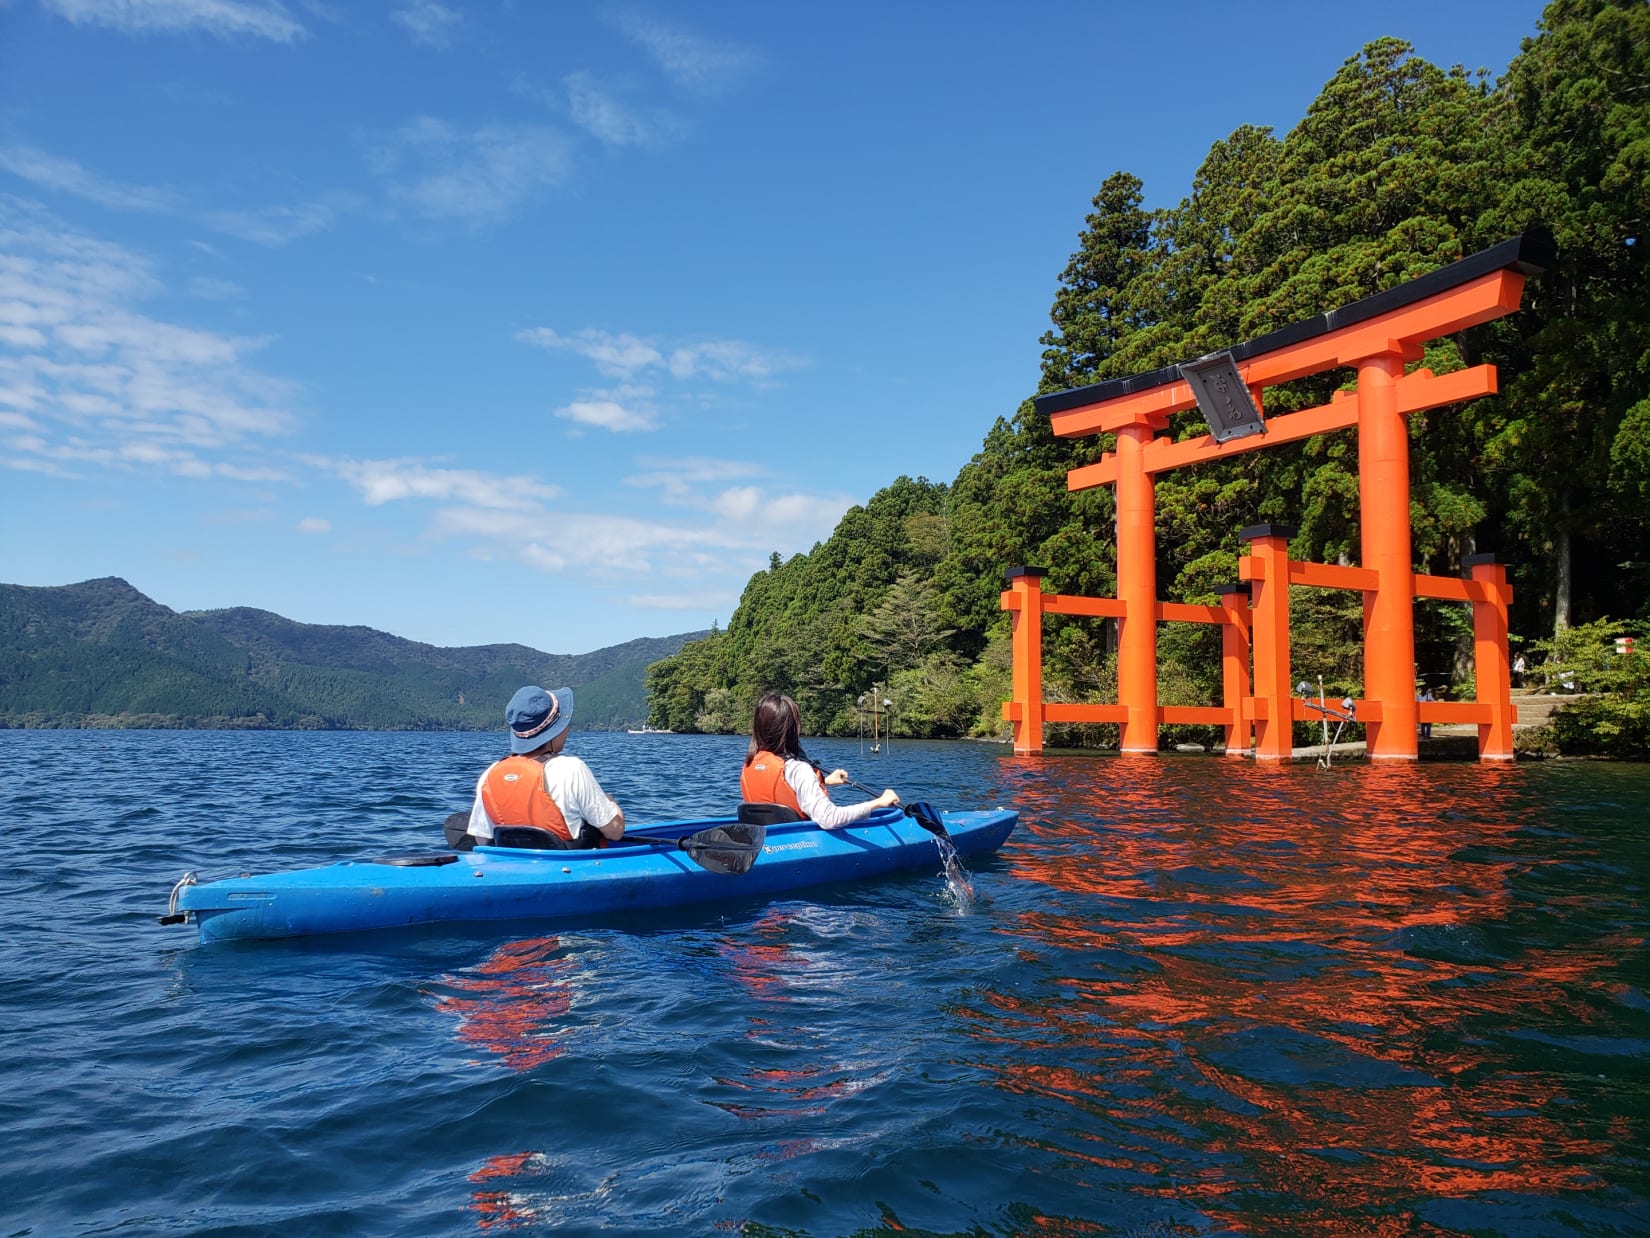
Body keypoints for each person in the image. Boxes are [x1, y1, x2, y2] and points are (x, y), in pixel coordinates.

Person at [462, 685, 625, 850]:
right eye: (564, 724)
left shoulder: (490, 774)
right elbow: (615, 832)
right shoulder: (571, 769)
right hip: (568, 867)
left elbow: (482, 840)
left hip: (514, 868)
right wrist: (611, 804)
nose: (567, 729)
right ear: (553, 731)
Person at [741, 692, 899, 829]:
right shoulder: (798, 769)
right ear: (791, 729)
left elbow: (783, 786)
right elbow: (829, 819)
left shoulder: (751, 764)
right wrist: (878, 803)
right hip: (799, 842)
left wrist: (826, 780)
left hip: (766, 838)